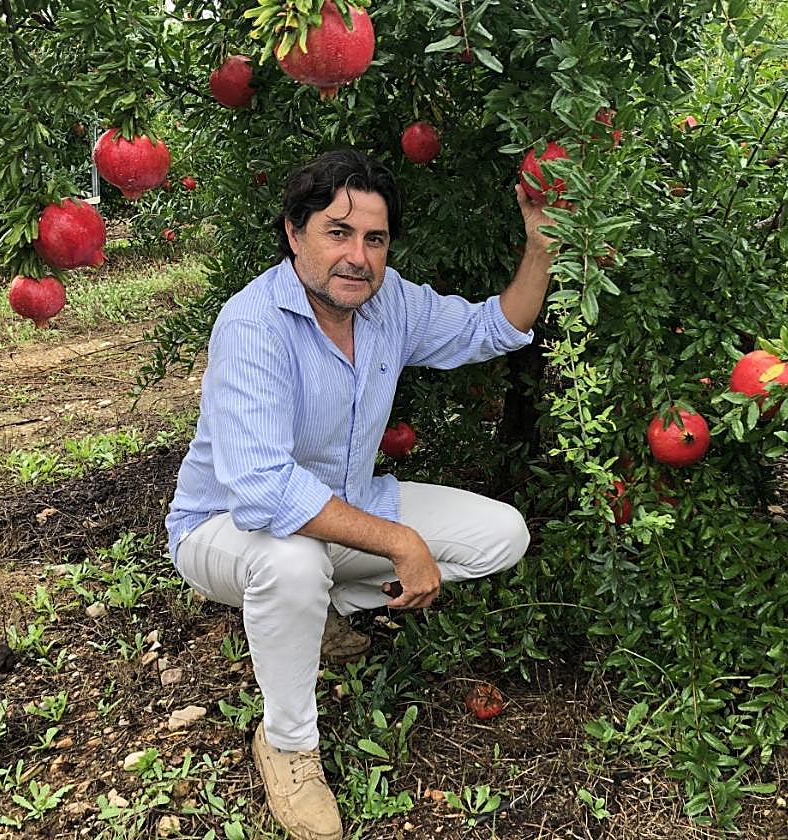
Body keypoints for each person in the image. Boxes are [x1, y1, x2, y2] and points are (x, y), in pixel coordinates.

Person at [164, 148, 555, 840]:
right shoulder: (253, 323)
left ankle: (325, 612)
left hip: (340, 508)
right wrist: (401, 541)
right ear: (294, 232)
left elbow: (492, 328)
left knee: (502, 533)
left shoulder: (390, 302)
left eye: (374, 239)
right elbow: (262, 490)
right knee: (291, 563)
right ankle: (286, 743)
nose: (358, 257)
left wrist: (540, 246)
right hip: (225, 529)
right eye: (337, 233)